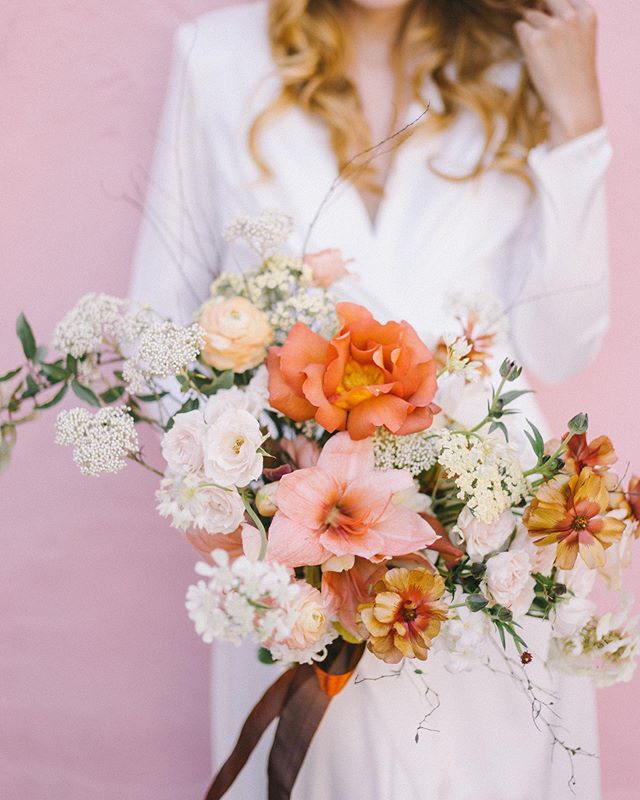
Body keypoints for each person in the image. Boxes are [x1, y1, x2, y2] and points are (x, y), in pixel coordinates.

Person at [129, 1, 610, 797]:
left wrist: (578, 122)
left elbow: (562, 344)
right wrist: (252, 490)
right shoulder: (217, 57)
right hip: (303, 545)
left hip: (491, 544)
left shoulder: (514, 56)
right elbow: (156, 336)